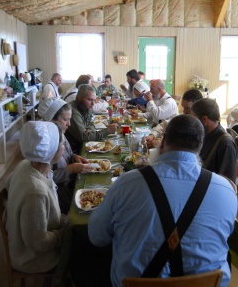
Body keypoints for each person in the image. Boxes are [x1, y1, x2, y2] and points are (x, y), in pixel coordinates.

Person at [88, 115, 237, 287]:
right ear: (200, 147)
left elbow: (97, 237)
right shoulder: (225, 190)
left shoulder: (126, 184)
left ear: (163, 140)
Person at [5, 121, 65, 273]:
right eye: (62, 144)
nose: (64, 147)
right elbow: (38, 243)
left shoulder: (24, 164)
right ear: (52, 150)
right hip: (33, 258)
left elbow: (8, 184)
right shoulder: (36, 192)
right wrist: (63, 234)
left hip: (26, 244)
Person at [38, 97, 92, 214]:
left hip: (71, 184)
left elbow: (69, 153)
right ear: (52, 119)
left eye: (70, 119)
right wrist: (70, 169)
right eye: (65, 119)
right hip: (61, 198)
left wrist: (75, 157)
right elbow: (44, 179)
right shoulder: (43, 144)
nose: (69, 124)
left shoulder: (61, 132)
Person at [191, 98, 237, 182]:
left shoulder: (226, 144)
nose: (192, 123)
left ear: (204, 119)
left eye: (194, 119)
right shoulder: (202, 134)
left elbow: (228, 183)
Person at [65, 84, 118, 154]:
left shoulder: (84, 106)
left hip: (82, 145)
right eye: (89, 100)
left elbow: (91, 122)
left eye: (94, 100)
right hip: (75, 151)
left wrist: (89, 130)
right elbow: (84, 137)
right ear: (79, 98)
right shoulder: (73, 111)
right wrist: (108, 130)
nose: (93, 103)